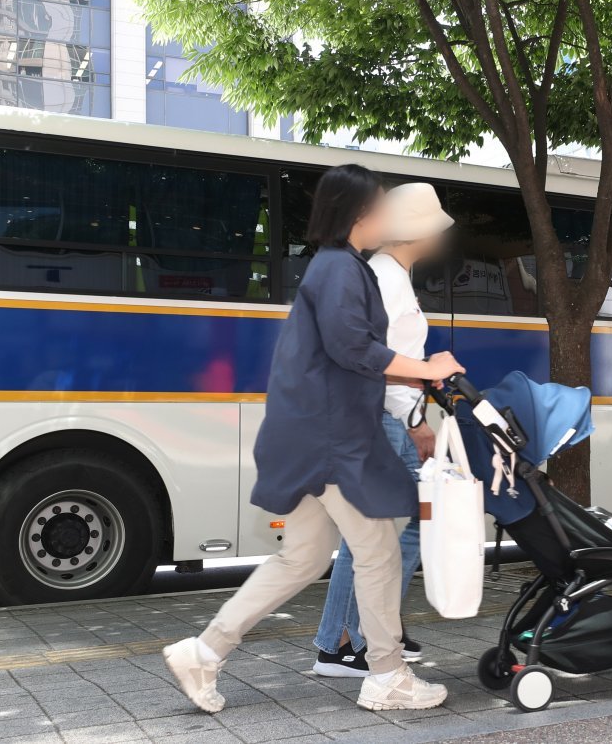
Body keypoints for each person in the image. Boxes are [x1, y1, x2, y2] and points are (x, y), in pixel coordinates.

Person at [161, 165, 465, 714]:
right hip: (330, 439)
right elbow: (354, 348)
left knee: (300, 559)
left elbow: (349, 356)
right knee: (377, 552)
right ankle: (388, 675)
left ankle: (204, 652)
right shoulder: (343, 272)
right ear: (359, 216)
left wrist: (416, 373)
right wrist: (425, 368)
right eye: (378, 209)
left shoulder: (334, 269)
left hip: (309, 435)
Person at [312, 182, 454, 677]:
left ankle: (357, 635)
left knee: (377, 535)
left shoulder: (388, 276)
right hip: (384, 419)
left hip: (383, 417)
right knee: (392, 532)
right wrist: (417, 420)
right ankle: (353, 640)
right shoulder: (386, 281)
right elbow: (375, 360)